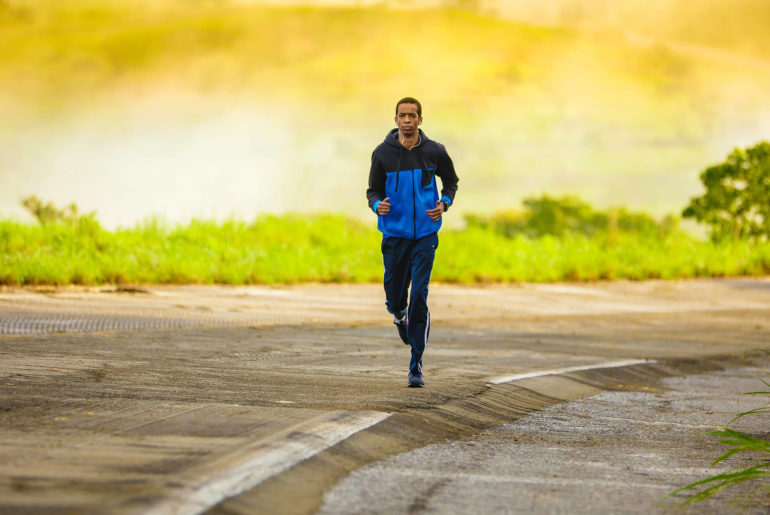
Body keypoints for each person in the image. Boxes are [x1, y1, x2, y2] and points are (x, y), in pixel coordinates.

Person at [366, 97, 459, 388]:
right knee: (396, 297)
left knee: (420, 293)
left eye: (412, 116)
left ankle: (416, 364)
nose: (407, 120)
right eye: (402, 115)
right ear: (395, 120)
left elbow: (452, 182)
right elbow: (372, 191)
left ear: (420, 120)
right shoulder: (382, 154)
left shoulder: (435, 151)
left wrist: (444, 203)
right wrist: (376, 205)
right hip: (394, 234)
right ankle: (399, 314)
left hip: (425, 235)